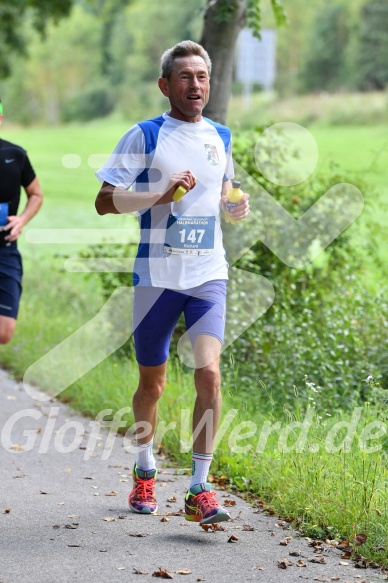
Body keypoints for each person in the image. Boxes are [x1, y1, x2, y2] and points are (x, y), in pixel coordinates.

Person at [95, 40, 250, 525]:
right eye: (185, 77)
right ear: (166, 85)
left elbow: (225, 193)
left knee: (210, 374)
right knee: (153, 385)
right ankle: (145, 469)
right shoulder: (143, 135)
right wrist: (157, 193)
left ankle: (199, 487)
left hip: (208, 275)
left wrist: (234, 206)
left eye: (202, 76)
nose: (196, 85)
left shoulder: (221, 136)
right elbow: (104, 200)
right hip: (157, 278)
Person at [0, 99, 43, 344]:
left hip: (5, 249)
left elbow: (36, 194)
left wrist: (23, 219)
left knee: (4, 332)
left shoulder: (15, 155)